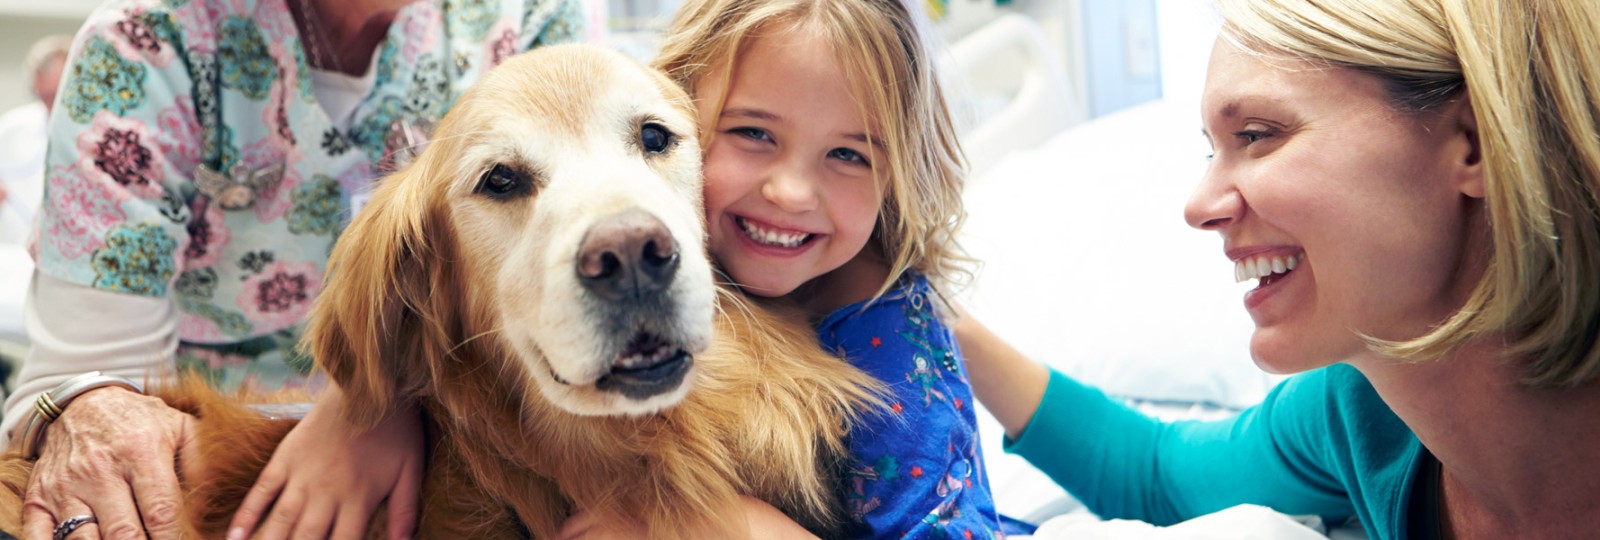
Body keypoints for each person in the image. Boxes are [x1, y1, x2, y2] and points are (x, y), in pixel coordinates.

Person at [956, 0, 1600, 539]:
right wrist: (941, 322)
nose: (1199, 206)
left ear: (1475, 143)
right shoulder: (1362, 414)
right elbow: (1156, 472)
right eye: (1212, 151)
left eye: (1258, 135)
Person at [0, 0, 585, 539]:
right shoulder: (149, 42)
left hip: (464, 432)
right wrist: (101, 413)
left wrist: (379, 395)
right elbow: (92, 375)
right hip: (214, 455)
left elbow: (570, 311)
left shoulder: (525, 22)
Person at [563, 0, 1011, 537]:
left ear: (895, 179)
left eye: (849, 155)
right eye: (753, 133)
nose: (792, 193)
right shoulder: (653, 269)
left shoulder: (883, 324)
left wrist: (734, 525)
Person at [0, 35, 71, 246]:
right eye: (42, 96)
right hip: (12, 253)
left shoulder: (98, 134)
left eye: (55, 96)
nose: (49, 106)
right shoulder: (11, 128)